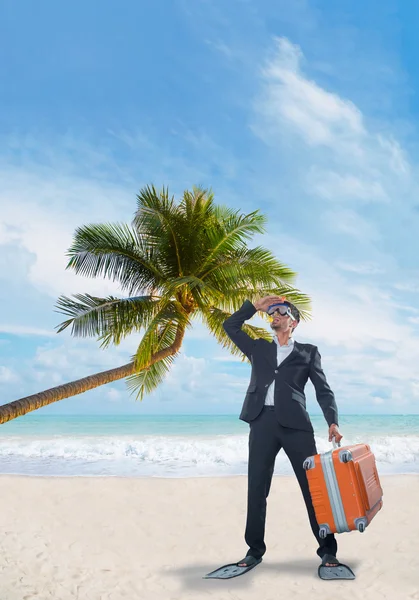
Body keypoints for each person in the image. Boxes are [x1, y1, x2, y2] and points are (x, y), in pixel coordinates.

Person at [221, 295, 353, 579]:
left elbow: (323, 390)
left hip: (296, 426)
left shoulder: (308, 352)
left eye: (280, 312)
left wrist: (332, 421)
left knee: (313, 490)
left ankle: (328, 550)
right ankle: (254, 550)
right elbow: (229, 326)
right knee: (257, 488)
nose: (274, 315)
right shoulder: (258, 348)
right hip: (261, 422)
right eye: (271, 312)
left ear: (294, 321)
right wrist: (253, 307)